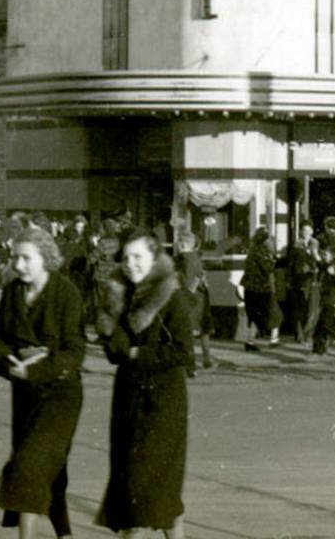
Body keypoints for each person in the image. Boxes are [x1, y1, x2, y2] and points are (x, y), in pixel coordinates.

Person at [0, 227, 87, 539]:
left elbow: (75, 351)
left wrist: (36, 367)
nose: (17, 265)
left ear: (45, 257)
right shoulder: (13, 291)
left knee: (28, 466)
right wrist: (10, 363)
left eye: (25, 258)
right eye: (14, 257)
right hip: (25, 394)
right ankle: (66, 534)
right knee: (51, 469)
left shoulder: (66, 293)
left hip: (60, 396)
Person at [96, 228, 194, 538]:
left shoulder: (171, 295)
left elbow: (182, 351)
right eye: (126, 258)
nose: (131, 264)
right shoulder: (117, 296)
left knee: (154, 487)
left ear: (154, 259)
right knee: (131, 490)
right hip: (128, 400)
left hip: (163, 403)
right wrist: (111, 331)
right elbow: (113, 352)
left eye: (138, 257)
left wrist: (138, 352)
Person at [175, 230, 216, 372]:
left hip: (191, 300)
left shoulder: (186, 258)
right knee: (203, 331)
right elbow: (199, 277)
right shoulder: (196, 257)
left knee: (189, 332)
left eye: (179, 243)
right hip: (201, 298)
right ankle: (207, 359)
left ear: (182, 244)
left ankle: (190, 365)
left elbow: (187, 281)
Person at [239, 226, 281, 351]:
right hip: (262, 289)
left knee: (256, 316)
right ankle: (273, 339)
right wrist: (273, 260)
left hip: (250, 288)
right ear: (265, 240)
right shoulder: (262, 252)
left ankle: (250, 341)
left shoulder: (252, 251)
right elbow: (268, 268)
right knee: (272, 313)